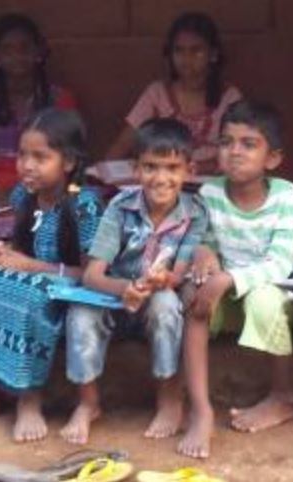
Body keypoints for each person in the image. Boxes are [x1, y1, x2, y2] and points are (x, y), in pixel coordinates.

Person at [0, 109, 103, 442]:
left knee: (25, 294)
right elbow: (21, 250)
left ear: (68, 162)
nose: (27, 165)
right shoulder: (22, 196)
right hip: (27, 283)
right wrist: (2, 258)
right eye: (23, 155)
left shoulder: (85, 205)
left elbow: (90, 275)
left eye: (40, 157)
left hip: (64, 292)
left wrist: (29, 266)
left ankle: (28, 398)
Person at [61, 118, 208, 445]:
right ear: (135, 169)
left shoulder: (196, 212)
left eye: (172, 168)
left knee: (166, 305)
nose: (161, 178)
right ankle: (87, 403)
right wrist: (124, 289)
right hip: (115, 296)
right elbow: (93, 274)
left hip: (157, 295)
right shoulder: (120, 207)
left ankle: (169, 398)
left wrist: (163, 279)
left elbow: (179, 272)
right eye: (151, 167)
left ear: (190, 170)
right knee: (80, 314)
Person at [178, 100, 293, 459]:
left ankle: (281, 396)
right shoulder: (210, 193)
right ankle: (201, 409)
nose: (235, 152)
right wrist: (204, 253)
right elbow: (205, 242)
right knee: (193, 295)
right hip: (228, 298)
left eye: (249, 144)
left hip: (275, 299)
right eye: (226, 142)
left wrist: (227, 278)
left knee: (263, 298)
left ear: (272, 158)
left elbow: (281, 264)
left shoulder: (286, 194)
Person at [0, 13, 77, 212]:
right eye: (7, 50)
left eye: (24, 48)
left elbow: (71, 160)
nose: (17, 56)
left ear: (39, 53)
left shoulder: (60, 100)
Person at [105, 12, 242, 173]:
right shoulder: (157, 94)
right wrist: (105, 174)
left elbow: (238, 154)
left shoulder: (230, 98)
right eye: (179, 50)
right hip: (162, 182)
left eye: (196, 50)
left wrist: (191, 170)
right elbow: (123, 144)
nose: (186, 58)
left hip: (214, 183)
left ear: (213, 55)